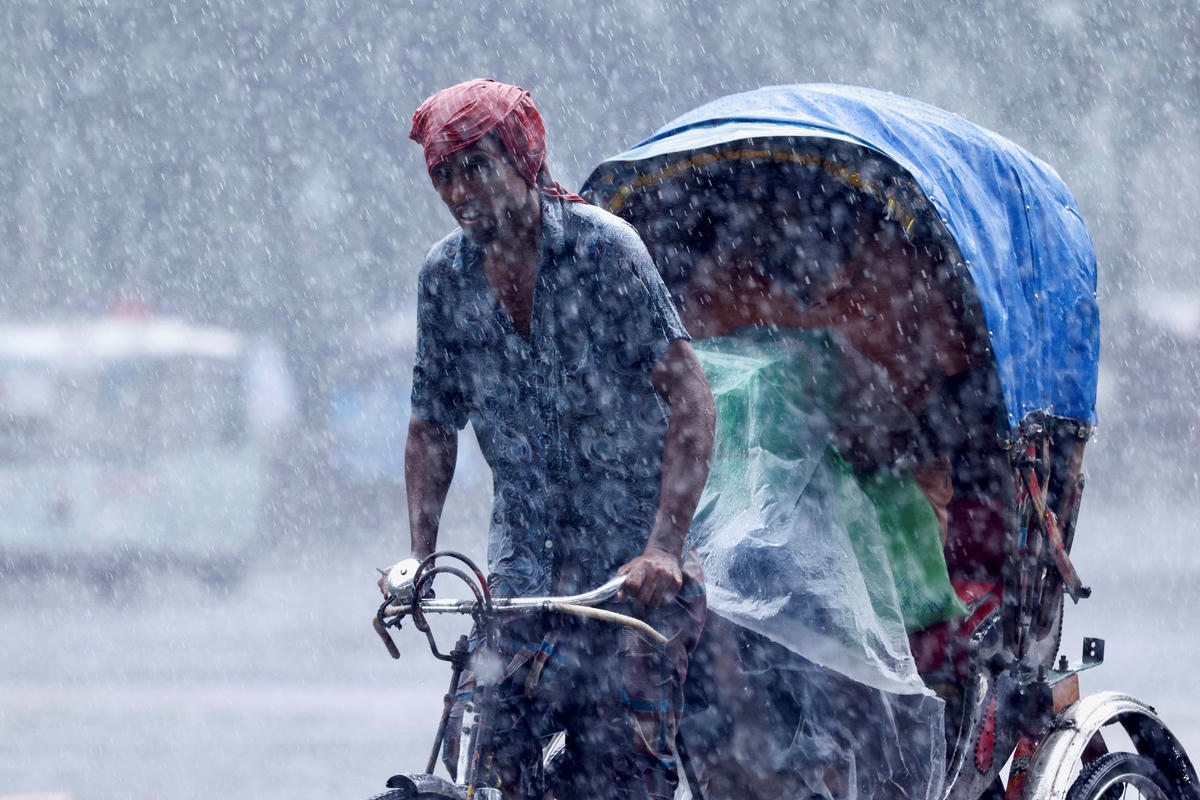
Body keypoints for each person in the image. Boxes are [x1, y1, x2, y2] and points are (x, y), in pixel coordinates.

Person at [389, 79, 715, 800]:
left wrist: (664, 545)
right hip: (522, 583)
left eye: (477, 166)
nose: (460, 189)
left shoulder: (606, 253)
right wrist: (418, 556)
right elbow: (432, 424)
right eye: (443, 174)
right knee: (486, 754)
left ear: (524, 159)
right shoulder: (443, 279)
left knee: (622, 770)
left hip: (628, 581)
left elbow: (691, 397)